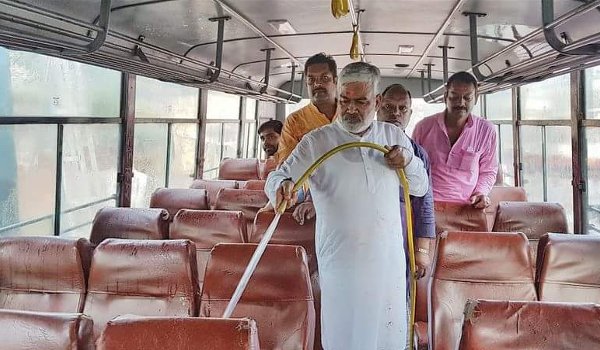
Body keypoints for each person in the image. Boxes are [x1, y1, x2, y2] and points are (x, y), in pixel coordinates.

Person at [266, 62, 429, 350]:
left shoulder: (392, 137)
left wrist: (409, 161)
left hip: (387, 263)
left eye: (361, 102)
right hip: (342, 264)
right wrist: (280, 188)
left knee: (388, 336)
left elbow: (419, 186)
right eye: (345, 100)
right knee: (346, 338)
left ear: (377, 102)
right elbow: (279, 175)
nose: (351, 109)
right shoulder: (317, 142)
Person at [412, 71, 498, 208]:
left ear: (476, 98)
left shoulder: (486, 130)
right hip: (427, 205)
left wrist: (481, 192)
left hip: (468, 207)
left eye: (467, 98)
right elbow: (413, 167)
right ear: (446, 96)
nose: (461, 103)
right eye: (454, 97)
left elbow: (488, 171)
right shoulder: (423, 127)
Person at [377, 84, 435, 277]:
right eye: (389, 107)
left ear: (410, 114)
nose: (395, 113)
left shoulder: (418, 153)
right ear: (377, 107)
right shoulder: (360, 145)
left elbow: (424, 203)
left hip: (401, 232)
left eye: (402, 109)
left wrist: (421, 252)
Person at [277, 53, 339, 224]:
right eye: (311, 79)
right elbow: (288, 168)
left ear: (335, 80)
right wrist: (312, 198)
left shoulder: (350, 114)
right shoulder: (295, 121)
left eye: (324, 78)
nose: (317, 84)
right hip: (308, 194)